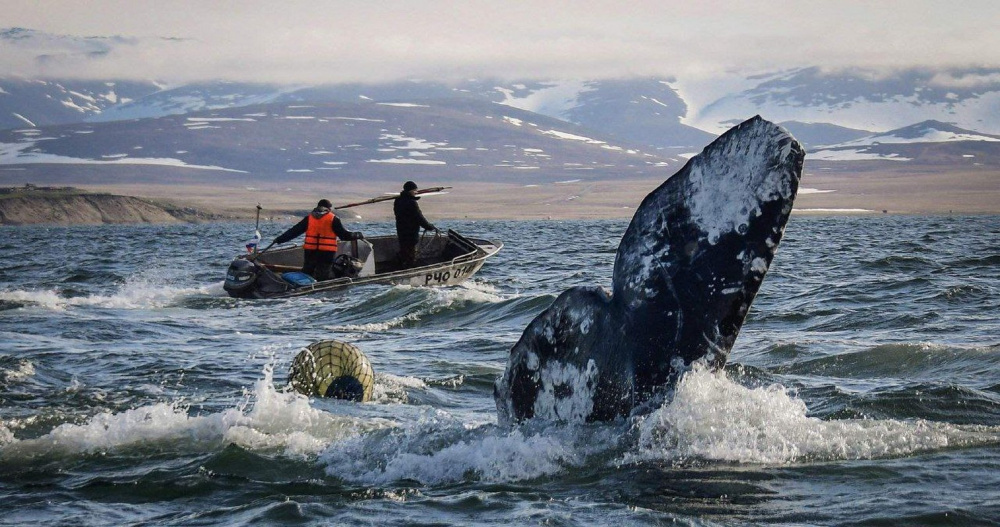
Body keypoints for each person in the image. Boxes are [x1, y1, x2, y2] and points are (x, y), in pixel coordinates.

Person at [272, 199, 364, 281]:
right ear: (329, 208)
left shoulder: (309, 218)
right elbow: (344, 236)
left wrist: (279, 239)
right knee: (323, 276)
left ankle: (303, 290)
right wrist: (357, 235)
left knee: (307, 273)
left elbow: (294, 232)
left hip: (310, 251)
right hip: (326, 253)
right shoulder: (332, 219)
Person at [393, 181, 437, 269]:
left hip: (401, 231)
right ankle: (408, 270)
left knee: (404, 250)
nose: (416, 192)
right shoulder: (412, 203)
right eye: (415, 190)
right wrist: (429, 227)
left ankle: (401, 265)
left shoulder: (398, 201)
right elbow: (419, 218)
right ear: (410, 191)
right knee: (410, 254)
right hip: (411, 233)